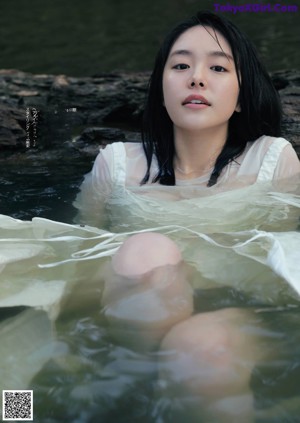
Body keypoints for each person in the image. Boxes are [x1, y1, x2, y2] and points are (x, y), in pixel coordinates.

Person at [74, 10, 300, 422]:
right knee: (146, 249)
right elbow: (76, 249)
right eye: (181, 65)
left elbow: (281, 264)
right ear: (161, 90)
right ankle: (124, 387)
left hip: (239, 313)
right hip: (131, 320)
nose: (196, 77)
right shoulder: (117, 165)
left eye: (217, 67)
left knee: (199, 348)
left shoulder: (273, 159)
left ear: (241, 94)